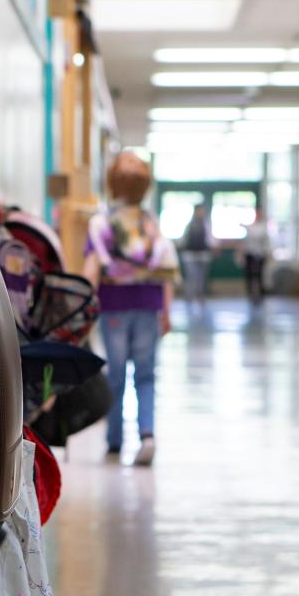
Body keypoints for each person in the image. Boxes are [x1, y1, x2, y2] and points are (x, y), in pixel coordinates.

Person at [83, 152, 178, 466]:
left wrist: (83, 307)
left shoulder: (102, 224)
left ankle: (114, 441)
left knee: (117, 374)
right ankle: (147, 434)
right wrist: (166, 311)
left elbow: (92, 269)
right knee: (147, 375)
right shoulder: (151, 225)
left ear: (112, 184)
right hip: (148, 306)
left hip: (114, 307)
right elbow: (165, 271)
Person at [180, 202, 214, 307]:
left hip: (203, 255)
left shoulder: (207, 224)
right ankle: (189, 296)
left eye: (202, 210)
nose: (201, 212)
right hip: (190, 255)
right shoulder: (189, 225)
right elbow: (184, 240)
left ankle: (200, 296)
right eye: (199, 210)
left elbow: (211, 239)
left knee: (201, 277)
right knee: (191, 276)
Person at [241, 209, 271, 306]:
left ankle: (260, 295)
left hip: (260, 254)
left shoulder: (263, 227)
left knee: (259, 275)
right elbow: (244, 242)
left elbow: (266, 242)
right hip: (249, 254)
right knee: (249, 275)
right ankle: (250, 294)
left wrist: (268, 253)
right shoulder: (250, 227)